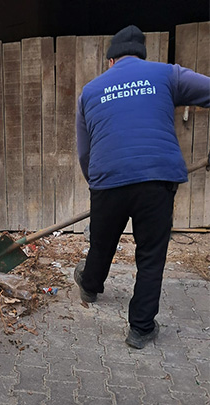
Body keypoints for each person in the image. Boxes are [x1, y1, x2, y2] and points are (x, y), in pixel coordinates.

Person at [75, 25, 210, 349]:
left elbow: (84, 150)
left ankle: (90, 286)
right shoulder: (166, 75)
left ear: (111, 60)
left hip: (108, 179)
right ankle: (140, 328)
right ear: (141, 56)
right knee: (150, 256)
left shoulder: (90, 91)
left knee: (102, 240)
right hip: (156, 178)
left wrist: (97, 184)